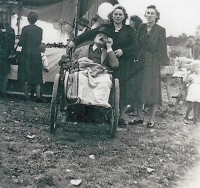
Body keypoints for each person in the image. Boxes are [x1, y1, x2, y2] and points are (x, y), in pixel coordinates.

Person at [67, 5, 138, 127]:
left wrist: (123, 51)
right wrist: (74, 41)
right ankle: (102, 112)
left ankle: (121, 117)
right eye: (116, 14)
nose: (118, 16)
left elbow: (135, 46)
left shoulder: (129, 30)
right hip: (105, 60)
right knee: (104, 86)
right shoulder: (106, 27)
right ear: (112, 15)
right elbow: (90, 34)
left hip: (124, 62)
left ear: (124, 16)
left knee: (123, 90)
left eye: (120, 14)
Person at [132, 5, 169, 128]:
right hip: (140, 61)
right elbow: (136, 44)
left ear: (156, 16)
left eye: (152, 13)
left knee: (154, 90)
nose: (149, 15)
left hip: (153, 63)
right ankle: (138, 117)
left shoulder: (160, 30)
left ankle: (152, 119)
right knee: (138, 87)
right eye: (147, 13)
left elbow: (163, 49)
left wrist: (163, 67)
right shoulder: (141, 27)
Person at [67, 27, 119, 108]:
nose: (102, 37)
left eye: (105, 37)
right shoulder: (80, 50)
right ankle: (81, 103)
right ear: (94, 39)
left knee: (106, 81)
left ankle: (100, 106)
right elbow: (71, 63)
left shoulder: (107, 52)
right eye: (100, 35)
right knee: (81, 78)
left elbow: (115, 65)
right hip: (84, 72)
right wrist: (80, 61)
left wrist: (109, 48)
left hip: (100, 74)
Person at [18, 12, 43, 102]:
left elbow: (21, 42)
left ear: (28, 19)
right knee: (36, 74)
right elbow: (39, 42)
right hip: (36, 54)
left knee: (25, 74)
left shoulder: (25, 29)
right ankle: (38, 96)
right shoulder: (40, 30)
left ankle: (26, 95)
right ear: (36, 19)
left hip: (26, 54)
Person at [0, 12, 15, 97]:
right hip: (5, 53)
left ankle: (3, 91)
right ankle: (3, 91)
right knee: (4, 73)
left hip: (5, 54)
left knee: (5, 73)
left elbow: (11, 42)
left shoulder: (10, 29)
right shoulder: (10, 29)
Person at [183, 60, 200, 125]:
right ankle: (186, 117)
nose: (199, 69)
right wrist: (188, 84)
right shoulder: (191, 76)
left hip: (198, 92)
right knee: (190, 106)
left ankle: (195, 119)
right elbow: (186, 82)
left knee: (197, 105)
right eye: (197, 67)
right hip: (192, 92)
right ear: (192, 69)